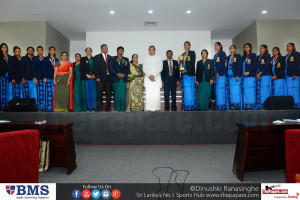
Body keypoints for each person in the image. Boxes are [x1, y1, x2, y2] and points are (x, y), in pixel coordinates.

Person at [109, 46, 130, 112]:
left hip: (123, 79)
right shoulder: (113, 58)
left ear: (123, 51)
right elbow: (111, 67)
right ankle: (117, 108)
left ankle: (123, 108)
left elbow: (128, 68)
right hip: (116, 78)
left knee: (123, 95)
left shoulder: (126, 59)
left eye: (122, 50)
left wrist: (124, 74)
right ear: (117, 51)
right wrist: (117, 74)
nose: (120, 51)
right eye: (119, 50)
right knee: (117, 94)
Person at [143, 46, 163, 111]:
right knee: (149, 94)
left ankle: (156, 108)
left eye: (152, 50)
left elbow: (160, 68)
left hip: (156, 78)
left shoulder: (159, 58)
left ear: (155, 50)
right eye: (150, 50)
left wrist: (154, 75)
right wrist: (149, 75)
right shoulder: (145, 59)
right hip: (148, 79)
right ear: (148, 51)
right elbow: (144, 68)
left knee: (156, 94)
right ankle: (149, 109)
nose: (151, 51)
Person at [94, 44, 112, 111]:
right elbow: (95, 68)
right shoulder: (96, 57)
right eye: (104, 48)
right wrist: (97, 77)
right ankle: (99, 109)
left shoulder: (110, 57)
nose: (106, 49)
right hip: (100, 78)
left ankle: (107, 108)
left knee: (108, 94)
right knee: (99, 94)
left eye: (106, 48)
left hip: (109, 78)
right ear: (101, 49)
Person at [181, 41, 196, 111]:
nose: (186, 46)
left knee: (190, 90)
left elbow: (192, 63)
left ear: (189, 46)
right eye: (185, 45)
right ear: (184, 46)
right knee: (185, 90)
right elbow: (181, 64)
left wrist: (187, 71)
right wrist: (180, 68)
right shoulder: (182, 54)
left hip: (189, 74)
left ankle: (191, 107)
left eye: (187, 45)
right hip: (184, 75)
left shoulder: (192, 53)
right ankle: (185, 107)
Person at [226, 45, 242, 109]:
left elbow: (239, 66)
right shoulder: (228, 57)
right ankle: (232, 105)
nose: (231, 49)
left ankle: (237, 105)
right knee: (231, 91)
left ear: (235, 49)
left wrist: (237, 75)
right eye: (230, 48)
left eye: (233, 48)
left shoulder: (238, 56)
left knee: (236, 90)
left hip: (235, 75)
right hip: (229, 76)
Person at [242, 43, 257, 110]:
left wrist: (249, 72)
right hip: (245, 77)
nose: (246, 48)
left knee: (251, 91)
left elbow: (255, 66)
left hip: (251, 76)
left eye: (248, 47)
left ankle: (251, 106)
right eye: (245, 47)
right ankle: (246, 105)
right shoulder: (243, 57)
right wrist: (243, 73)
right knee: (246, 91)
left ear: (250, 48)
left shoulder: (253, 55)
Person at [81, 48, 97, 112]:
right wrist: (86, 74)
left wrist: (94, 74)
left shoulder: (94, 59)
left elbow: (97, 68)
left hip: (93, 78)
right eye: (87, 50)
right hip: (85, 78)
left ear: (91, 52)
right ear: (85, 52)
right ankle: (87, 108)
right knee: (86, 93)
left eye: (89, 50)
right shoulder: (83, 59)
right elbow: (81, 69)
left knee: (92, 93)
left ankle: (93, 108)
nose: (88, 51)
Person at [256, 45, 272, 109]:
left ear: (265, 49)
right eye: (260, 48)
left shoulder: (267, 55)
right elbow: (256, 66)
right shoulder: (259, 56)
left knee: (265, 90)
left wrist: (260, 73)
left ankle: (266, 106)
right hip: (260, 76)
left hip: (265, 75)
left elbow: (266, 65)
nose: (260, 49)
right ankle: (261, 105)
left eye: (262, 48)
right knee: (261, 91)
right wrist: (257, 74)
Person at [285, 43, 300, 108]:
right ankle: (291, 105)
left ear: (293, 47)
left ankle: (296, 105)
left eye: (290, 46)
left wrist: (295, 73)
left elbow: (297, 65)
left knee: (295, 90)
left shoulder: (296, 54)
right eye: (287, 46)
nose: (288, 47)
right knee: (289, 90)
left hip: (294, 75)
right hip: (288, 75)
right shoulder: (286, 56)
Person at [43, 46, 58, 111]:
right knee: (48, 93)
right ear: (49, 51)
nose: (52, 51)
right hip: (48, 78)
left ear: (55, 51)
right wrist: (45, 77)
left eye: (53, 50)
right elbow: (44, 68)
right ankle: (49, 108)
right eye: (51, 50)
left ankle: (54, 107)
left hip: (55, 78)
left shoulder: (57, 60)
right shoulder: (46, 59)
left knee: (54, 93)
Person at [213, 42, 227, 110]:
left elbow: (222, 64)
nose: (216, 47)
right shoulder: (215, 55)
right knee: (218, 90)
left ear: (220, 46)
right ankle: (218, 105)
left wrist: (218, 72)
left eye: (217, 46)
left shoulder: (222, 53)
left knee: (221, 90)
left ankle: (222, 106)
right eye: (215, 46)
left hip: (221, 74)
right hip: (217, 75)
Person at [33, 46, 46, 111]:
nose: (39, 51)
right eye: (38, 50)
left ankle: (43, 107)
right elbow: (34, 69)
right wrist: (35, 78)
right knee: (38, 93)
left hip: (44, 79)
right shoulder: (35, 58)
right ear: (37, 51)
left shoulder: (45, 58)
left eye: (41, 50)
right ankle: (39, 108)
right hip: (37, 78)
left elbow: (45, 69)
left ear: (43, 51)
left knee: (43, 93)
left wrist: (45, 77)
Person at [0, 43, 11, 109]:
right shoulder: (0, 56)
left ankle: (7, 106)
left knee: (8, 91)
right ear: (1, 48)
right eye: (3, 47)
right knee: (2, 91)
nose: (4, 48)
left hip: (9, 75)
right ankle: (2, 106)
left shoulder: (9, 56)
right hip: (2, 75)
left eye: (5, 47)